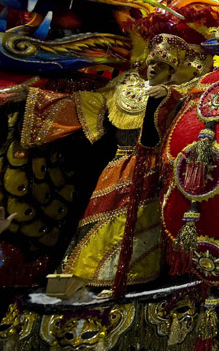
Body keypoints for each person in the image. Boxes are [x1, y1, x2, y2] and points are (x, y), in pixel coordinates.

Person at [56, 33, 189, 296]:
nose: (153, 68)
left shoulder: (177, 94)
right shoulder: (126, 87)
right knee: (102, 215)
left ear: (171, 71)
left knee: (139, 222)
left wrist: (168, 95)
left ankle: (128, 276)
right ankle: (91, 272)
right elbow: (90, 101)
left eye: (161, 66)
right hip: (119, 163)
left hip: (152, 167)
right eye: (152, 63)